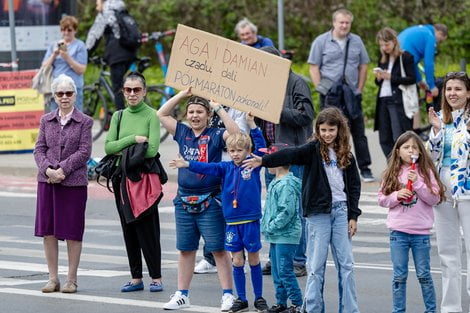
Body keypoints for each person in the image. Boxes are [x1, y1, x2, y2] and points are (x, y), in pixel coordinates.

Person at [243, 107, 362, 313]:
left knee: (347, 266)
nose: (327, 134)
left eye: (331, 130)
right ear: (317, 130)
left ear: (339, 129)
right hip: (318, 214)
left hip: (342, 212)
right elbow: (292, 153)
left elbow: (354, 185)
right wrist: (264, 161)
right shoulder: (313, 150)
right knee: (316, 267)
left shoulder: (346, 154)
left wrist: (354, 215)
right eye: (323, 130)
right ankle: (314, 308)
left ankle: (350, 310)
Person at [169, 114, 269, 313]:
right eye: (232, 151)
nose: (235, 154)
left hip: (251, 220)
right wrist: (187, 164)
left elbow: (262, 148)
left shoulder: (253, 164)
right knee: (237, 260)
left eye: (240, 150)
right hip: (232, 221)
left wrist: (251, 125)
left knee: (254, 258)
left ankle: (258, 297)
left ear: (247, 151)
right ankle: (241, 299)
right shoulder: (225, 167)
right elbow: (207, 167)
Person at [157, 88, 239, 311]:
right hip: (183, 200)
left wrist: (218, 108)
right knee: (185, 249)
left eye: (199, 112)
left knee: (218, 249)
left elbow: (237, 135)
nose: (194, 115)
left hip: (211, 200)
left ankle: (228, 295)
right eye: (191, 111)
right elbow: (161, 114)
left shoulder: (215, 134)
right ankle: (182, 294)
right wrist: (183, 95)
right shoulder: (182, 132)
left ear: (207, 115)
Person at [259, 45, 315, 278]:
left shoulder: (296, 83)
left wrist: (276, 109)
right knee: (274, 208)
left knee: (295, 209)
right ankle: (276, 258)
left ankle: (298, 261)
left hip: (293, 156)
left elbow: (306, 115)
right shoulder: (261, 87)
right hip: (270, 155)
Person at [33, 74, 93, 294]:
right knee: (48, 230)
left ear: (75, 96)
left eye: (69, 93)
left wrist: (63, 170)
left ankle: (71, 280)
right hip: (47, 181)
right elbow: (39, 149)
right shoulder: (46, 120)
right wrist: (48, 169)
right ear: (55, 96)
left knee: (72, 231)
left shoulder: (85, 121)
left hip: (73, 183)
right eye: (60, 93)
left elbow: (85, 151)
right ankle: (52, 278)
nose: (64, 97)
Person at [105, 71, 164, 293]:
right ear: (123, 91)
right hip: (121, 179)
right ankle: (136, 277)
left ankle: (156, 277)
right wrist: (134, 140)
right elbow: (108, 147)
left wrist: (124, 148)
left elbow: (152, 150)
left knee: (148, 230)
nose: (132, 94)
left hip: (143, 181)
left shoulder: (152, 115)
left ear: (144, 91)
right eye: (128, 89)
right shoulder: (118, 116)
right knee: (128, 229)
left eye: (136, 89)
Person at [378, 131, 445, 313]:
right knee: (399, 276)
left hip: (420, 234)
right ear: (398, 151)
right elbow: (382, 199)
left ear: (420, 152)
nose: (410, 150)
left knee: (424, 275)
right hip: (398, 233)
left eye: (414, 147)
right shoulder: (392, 172)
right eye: (406, 147)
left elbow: (434, 198)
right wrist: (396, 195)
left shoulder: (426, 172)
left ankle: (430, 310)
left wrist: (418, 184)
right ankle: (399, 310)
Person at [308, 8, 375, 182]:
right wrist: (320, 87)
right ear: (334, 23)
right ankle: (328, 163)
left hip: (351, 93)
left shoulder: (357, 41)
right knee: (328, 130)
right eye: (341, 22)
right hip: (330, 94)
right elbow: (314, 66)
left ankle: (365, 168)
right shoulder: (321, 41)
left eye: (347, 23)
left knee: (358, 131)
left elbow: (363, 66)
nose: (344, 25)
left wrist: (359, 88)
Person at [428, 71, 470, 313]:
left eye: (458, 89)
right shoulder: (441, 121)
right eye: (449, 89)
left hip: (467, 188)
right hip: (443, 189)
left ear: (468, 93)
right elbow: (431, 157)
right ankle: (451, 308)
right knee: (447, 253)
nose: (452, 93)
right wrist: (435, 132)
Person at [261, 144, 303, 313]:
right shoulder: (277, 181)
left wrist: (270, 226)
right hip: (276, 235)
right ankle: (281, 302)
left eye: (269, 159)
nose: (266, 163)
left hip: (285, 234)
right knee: (278, 272)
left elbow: (287, 211)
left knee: (285, 271)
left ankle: (297, 304)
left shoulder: (286, 184)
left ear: (278, 161)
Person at [86, 0, 138, 111]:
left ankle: (122, 122)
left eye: (97, 3)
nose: (96, 7)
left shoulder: (106, 13)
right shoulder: (122, 11)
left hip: (117, 56)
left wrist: (86, 54)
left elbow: (94, 36)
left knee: (118, 89)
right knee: (125, 86)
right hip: (130, 53)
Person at [374, 27, 416, 159]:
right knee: (384, 137)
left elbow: (412, 79)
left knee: (399, 136)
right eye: (381, 45)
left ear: (394, 42)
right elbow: (380, 83)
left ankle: (402, 167)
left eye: (386, 44)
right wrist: (379, 78)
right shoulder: (382, 58)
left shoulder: (406, 57)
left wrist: (391, 77)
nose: (384, 47)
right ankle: (392, 166)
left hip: (398, 101)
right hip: (383, 100)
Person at [41, 15, 87, 112]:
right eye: (63, 30)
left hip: (73, 89)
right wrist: (54, 54)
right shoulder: (54, 45)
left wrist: (67, 57)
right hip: (57, 89)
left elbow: (81, 70)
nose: (66, 33)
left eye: (69, 30)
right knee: (56, 121)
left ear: (75, 30)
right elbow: (44, 67)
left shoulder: (80, 46)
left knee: (75, 121)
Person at [398, 24, 448, 99]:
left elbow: (412, 63)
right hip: (403, 61)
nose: (437, 43)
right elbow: (428, 64)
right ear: (439, 33)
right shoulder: (430, 36)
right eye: (440, 40)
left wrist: (419, 81)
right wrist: (432, 86)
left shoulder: (420, 29)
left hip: (397, 60)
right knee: (411, 100)